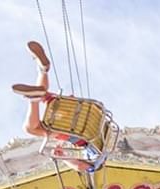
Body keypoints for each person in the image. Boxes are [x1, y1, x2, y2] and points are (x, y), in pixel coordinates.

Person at [11, 41, 104, 173]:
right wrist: (63, 158)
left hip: (84, 113)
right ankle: (33, 100)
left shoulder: (104, 140)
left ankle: (43, 70)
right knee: (31, 128)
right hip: (79, 133)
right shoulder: (94, 162)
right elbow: (80, 166)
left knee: (45, 95)